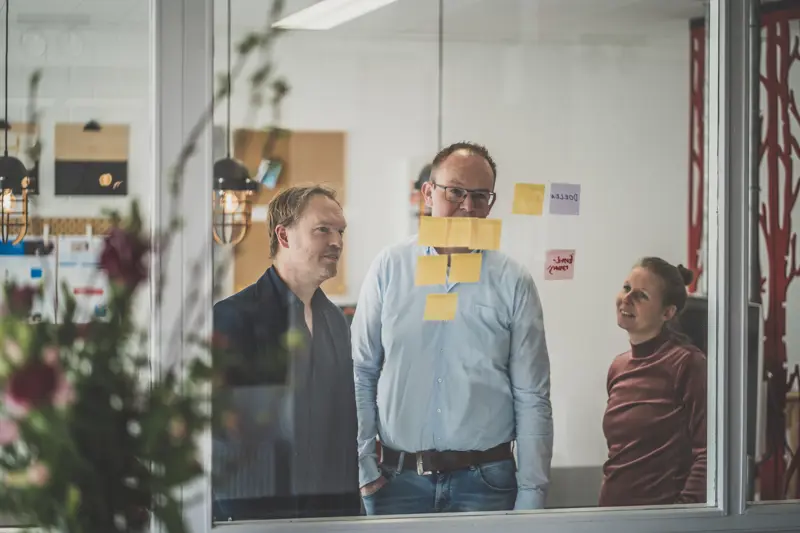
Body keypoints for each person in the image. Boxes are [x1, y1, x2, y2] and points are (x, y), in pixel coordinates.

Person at [351, 141, 553, 515]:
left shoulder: (512, 280)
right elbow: (361, 371)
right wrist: (363, 465)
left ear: (491, 204)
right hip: (396, 481)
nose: (467, 206)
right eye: (455, 191)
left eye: (480, 196)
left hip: (487, 483)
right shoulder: (390, 268)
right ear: (428, 192)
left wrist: (532, 494)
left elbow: (532, 395)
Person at [212, 185, 360, 520]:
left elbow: (341, 425)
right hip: (257, 515)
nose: (336, 242)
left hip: (329, 514)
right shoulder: (233, 317)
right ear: (284, 235)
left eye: (340, 231)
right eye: (323, 229)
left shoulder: (336, 321)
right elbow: (223, 436)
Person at [599, 257, 707, 507]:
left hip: (662, 519)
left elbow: (706, 453)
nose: (627, 299)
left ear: (667, 312)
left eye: (642, 295)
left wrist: (684, 512)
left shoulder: (687, 363)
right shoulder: (618, 366)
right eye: (626, 288)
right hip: (612, 516)